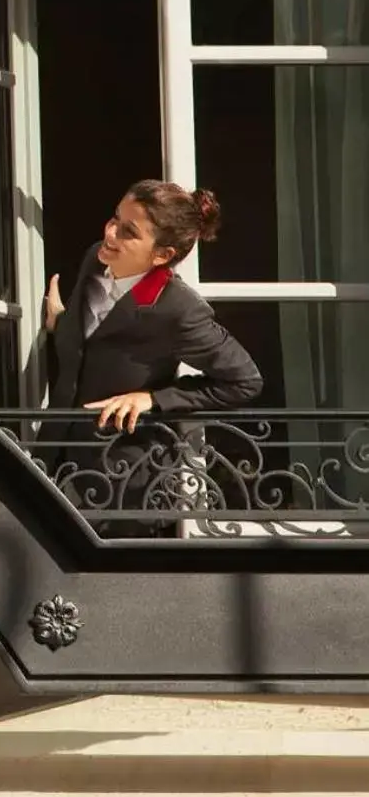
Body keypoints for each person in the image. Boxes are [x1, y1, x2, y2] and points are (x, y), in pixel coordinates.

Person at [38, 180, 263, 536]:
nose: (110, 233)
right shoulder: (96, 258)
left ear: (162, 255)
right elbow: (96, 342)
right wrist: (62, 322)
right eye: (114, 219)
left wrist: (155, 399)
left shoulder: (179, 309)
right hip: (52, 464)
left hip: (122, 488)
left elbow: (245, 381)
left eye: (128, 231)